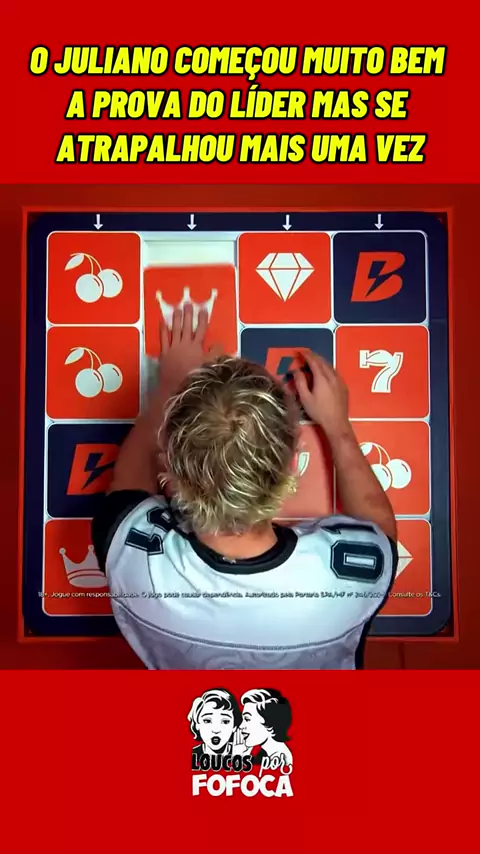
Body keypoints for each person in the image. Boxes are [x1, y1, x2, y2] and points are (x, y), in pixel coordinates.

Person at [91, 303, 398, 670]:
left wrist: (168, 387)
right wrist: (338, 427)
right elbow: (379, 528)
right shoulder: (349, 578)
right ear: (290, 464)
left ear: (168, 466)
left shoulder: (131, 559)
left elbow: (126, 488)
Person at [187, 688, 241, 759]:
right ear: (197, 723)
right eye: (207, 721)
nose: (216, 730)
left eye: (225, 722)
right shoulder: (189, 755)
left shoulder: (242, 752)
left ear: (234, 726)